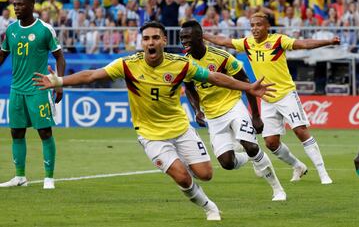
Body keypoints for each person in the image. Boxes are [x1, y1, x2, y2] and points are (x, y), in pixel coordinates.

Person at [33, 21, 275, 220]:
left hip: (181, 129)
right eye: (146, 38)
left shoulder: (180, 65)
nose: (151, 42)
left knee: (206, 174)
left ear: (163, 41)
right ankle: (209, 207)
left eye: (155, 38)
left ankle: (241, 157)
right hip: (150, 134)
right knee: (182, 176)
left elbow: (214, 77)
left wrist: (248, 87)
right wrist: (60, 81)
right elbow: (91, 75)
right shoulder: (128, 65)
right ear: (142, 43)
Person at [203, 12, 340, 184]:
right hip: (266, 97)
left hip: (286, 94)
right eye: (252, 25)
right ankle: (298, 166)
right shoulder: (247, 43)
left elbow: (303, 43)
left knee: (300, 130)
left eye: (258, 25)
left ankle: (323, 173)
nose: (254, 28)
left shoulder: (278, 40)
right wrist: (202, 34)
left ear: (267, 27)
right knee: (271, 143)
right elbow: (223, 41)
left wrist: (329, 41)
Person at [180, 20, 286, 201]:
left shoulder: (222, 56)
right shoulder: (185, 63)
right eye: (182, 38)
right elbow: (189, 88)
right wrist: (197, 110)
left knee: (251, 145)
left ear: (200, 37)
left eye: (187, 37)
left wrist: (256, 115)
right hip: (213, 116)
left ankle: (278, 189)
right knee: (227, 163)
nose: (183, 42)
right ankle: (248, 158)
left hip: (233, 106)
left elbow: (248, 85)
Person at [0, 0, 66, 189]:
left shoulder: (44, 29)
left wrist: (59, 82)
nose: (16, 7)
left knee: (44, 132)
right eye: (15, 4)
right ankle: (20, 176)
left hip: (39, 88)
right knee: (16, 132)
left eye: (20, 4)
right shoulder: (11, 30)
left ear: (31, 5)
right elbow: (2, 56)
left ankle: (49, 178)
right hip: (16, 90)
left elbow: (59, 57)